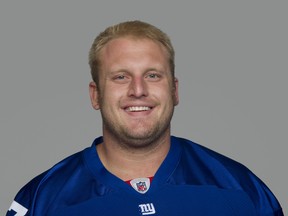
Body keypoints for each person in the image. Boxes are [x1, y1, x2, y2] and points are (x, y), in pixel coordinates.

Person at [7, 20, 283, 216]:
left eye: (152, 75)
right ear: (95, 95)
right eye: (120, 77)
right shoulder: (42, 199)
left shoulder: (240, 189)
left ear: (174, 90)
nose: (137, 90)